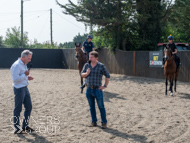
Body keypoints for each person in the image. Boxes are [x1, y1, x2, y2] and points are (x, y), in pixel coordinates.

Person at [81, 51, 110, 129]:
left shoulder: (101, 66)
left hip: (97, 90)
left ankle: (104, 122)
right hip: (89, 89)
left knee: (101, 107)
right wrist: (86, 73)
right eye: (89, 57)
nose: (89, 58)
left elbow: (107, 76)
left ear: (96, 58)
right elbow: (82, 75)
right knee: (91, 107)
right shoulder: (86, 65)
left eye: (91, 57)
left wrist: (105, 86)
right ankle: (93, 122)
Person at [10, 50, 34, 134]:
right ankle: (17, 128)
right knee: (18, 108)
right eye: (29, 58)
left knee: (29, 106)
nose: (30, 60)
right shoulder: (16, 65)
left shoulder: (24, 64)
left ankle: (25, 126)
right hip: (19, 89)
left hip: (25, 88)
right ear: (23, 57)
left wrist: (27, 77)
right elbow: (15, 80)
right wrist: (25, 75)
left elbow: (22, 76)